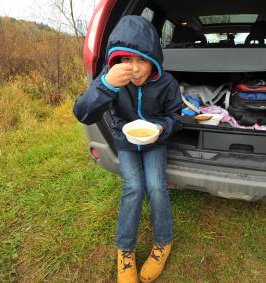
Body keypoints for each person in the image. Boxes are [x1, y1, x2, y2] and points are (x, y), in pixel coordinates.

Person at [73, 15, 182, 283]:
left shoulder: (167, 83)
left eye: (141, 59)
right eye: (126, 60)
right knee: (133, 187)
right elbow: (83, 112)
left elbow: (177, 117)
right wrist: (107, 84)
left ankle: (163, 243)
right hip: (126, 140)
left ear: (153, 59)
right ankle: (125, 251)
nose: (133, 68)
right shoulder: (110, 80)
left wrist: (162, 129)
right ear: (117, 60)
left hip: (155, 139)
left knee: (156, 186)